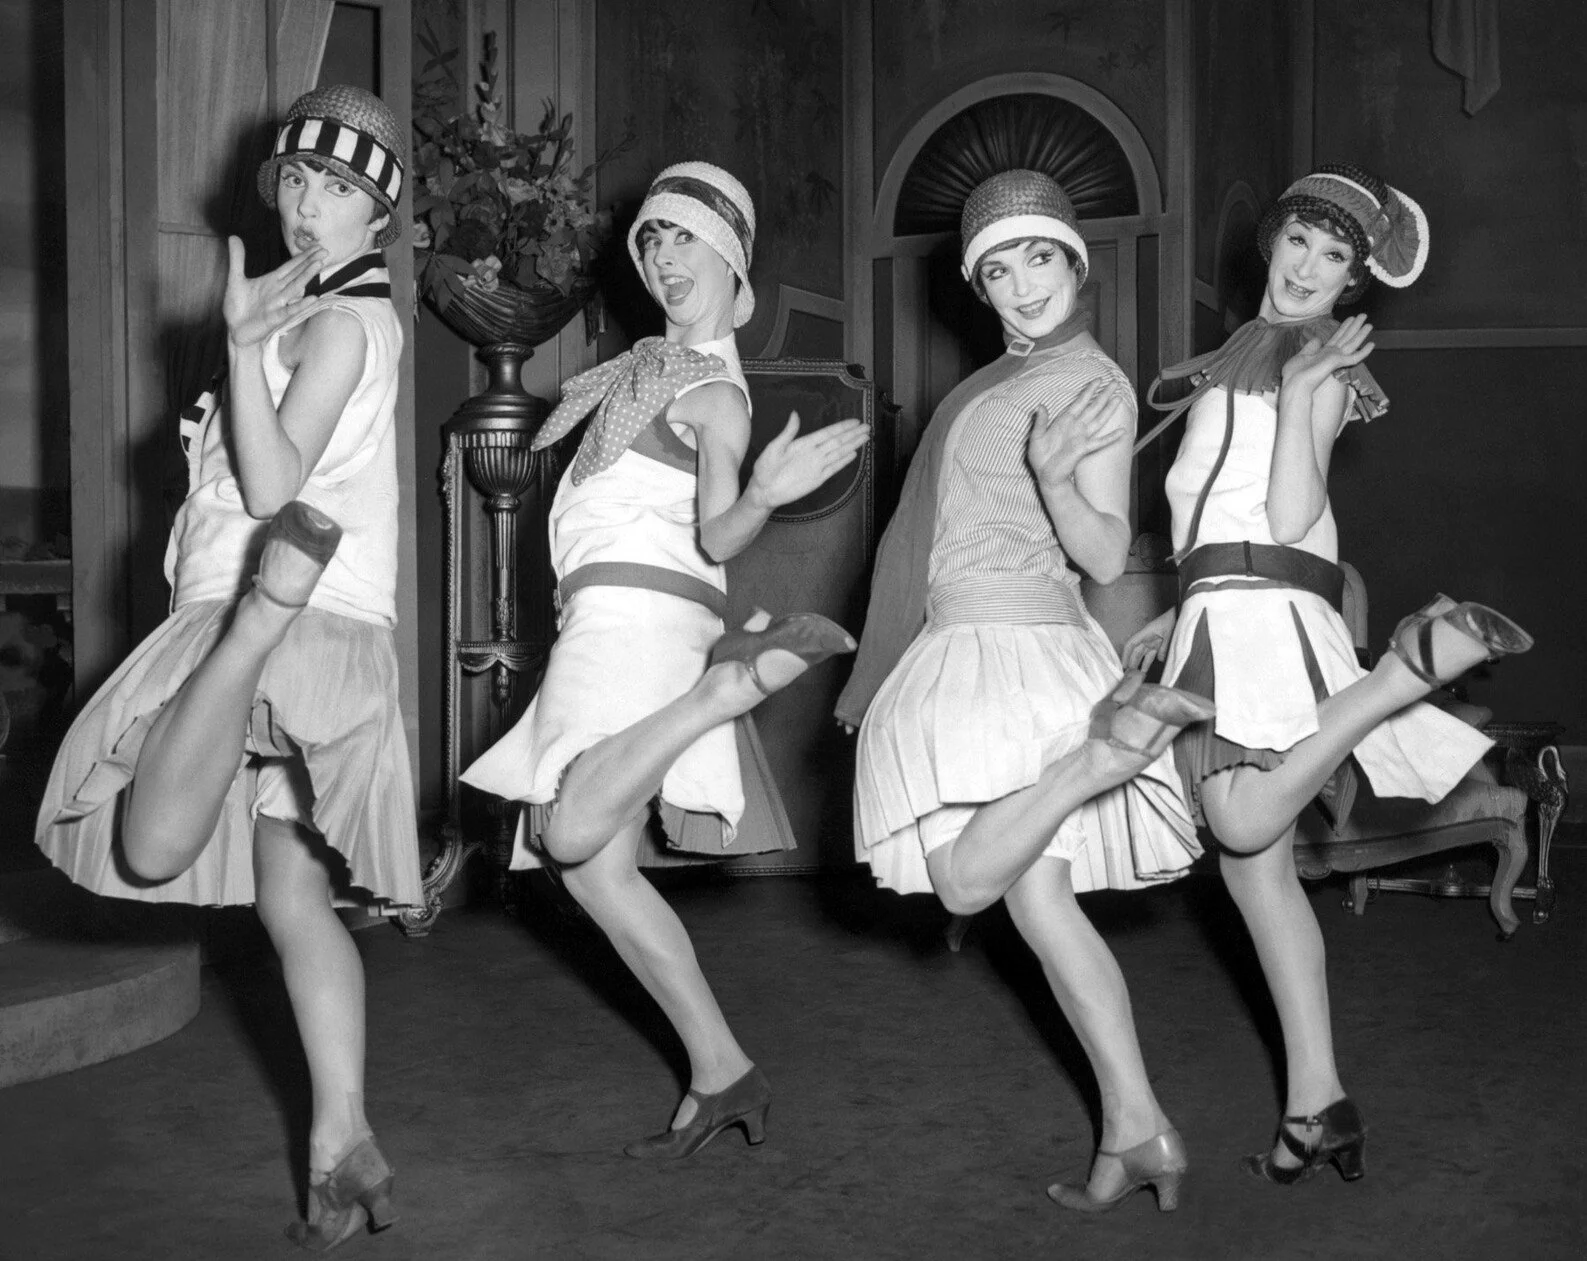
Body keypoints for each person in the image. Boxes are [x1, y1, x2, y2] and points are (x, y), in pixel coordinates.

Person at [35, 86, 420, 1248]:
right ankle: (343, 1136)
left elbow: (269, 484)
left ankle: (263, 620)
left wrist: (247, 350)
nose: (308, 204)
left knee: (152, 844)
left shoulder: (344, 323)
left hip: (274, 616)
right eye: (296, 178)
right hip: (292, 615)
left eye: (338, 189)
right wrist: (250, 347)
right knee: (294, 899)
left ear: (379, 217)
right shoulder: (309, 311)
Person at [1123, 163, 1533, 1184]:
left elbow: (1292, 514)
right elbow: (1220, 514)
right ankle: (1319, 1105)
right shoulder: (1240, 355)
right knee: (1255, 875)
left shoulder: (1317, 362)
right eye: (1299, 240)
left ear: (1355, 281)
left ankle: (1397, 677)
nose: (1308, 266)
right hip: (1224, 606)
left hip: (1265, 617)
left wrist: (1311, 391)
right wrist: (1175, 610)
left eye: (1335, 255)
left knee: (1238, 823)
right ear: (1271, 242)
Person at [461, 161, 869, 1159]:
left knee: (566, 831)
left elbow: (720, 534)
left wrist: (762, 494)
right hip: (603, 619)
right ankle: (723, 1069)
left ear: (733, 258)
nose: (664, 255)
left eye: (686, 236)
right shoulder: (646, 370)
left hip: (640, 624)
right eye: (652, 239)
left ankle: (722, 692)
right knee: (599, 876)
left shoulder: (714, 391)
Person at [835, 169, 1216, 1215]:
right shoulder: (1000, 380)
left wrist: (1053, 478)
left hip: (1011, 645)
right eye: (997, 269)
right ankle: (1139, 1128)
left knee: (964, 884)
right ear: (980, 287)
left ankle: (1099, 756)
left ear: (1075, 263)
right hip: (970, 637)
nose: (1021, 284)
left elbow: (1102, 553)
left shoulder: (1088, 382)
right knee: (1040, 906)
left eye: (1038, 256)